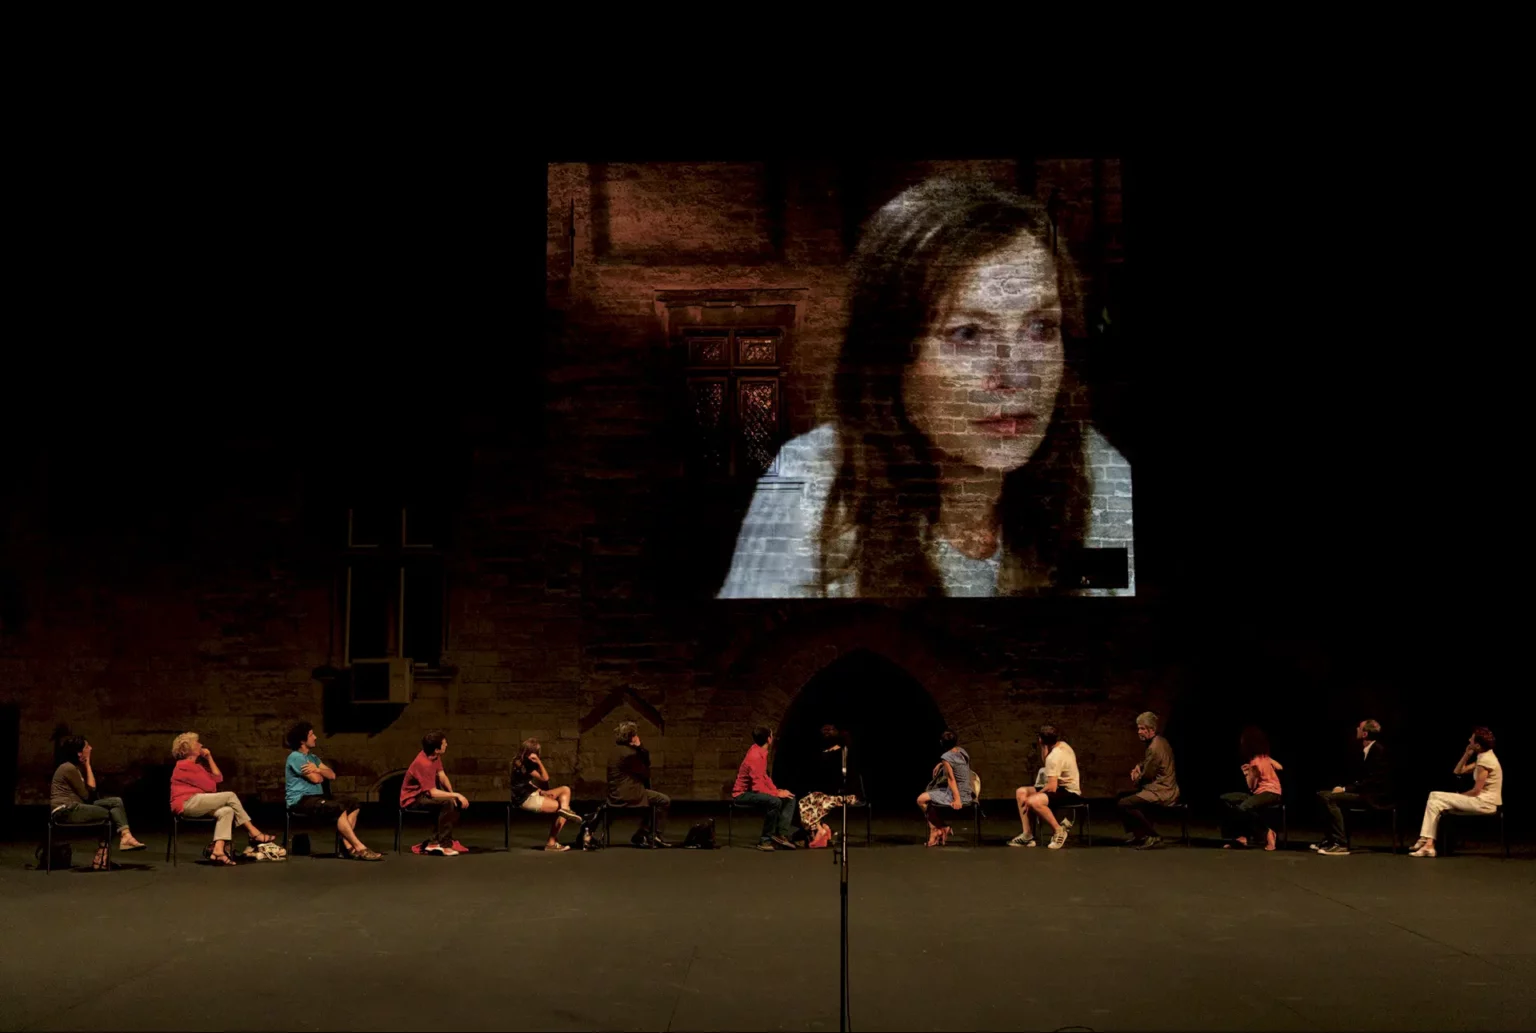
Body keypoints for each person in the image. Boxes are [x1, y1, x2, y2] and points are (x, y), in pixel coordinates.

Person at [717, 177, 1133, 600]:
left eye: (1041, 328)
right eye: (968, 334)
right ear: (891, 356)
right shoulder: (811, 482)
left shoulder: (1093, 470)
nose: (1018, 376)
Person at [169, 731, 275, 866]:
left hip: (198, 801)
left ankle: (218, 850)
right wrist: (210, 780)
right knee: (230, 795)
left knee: (227, 811)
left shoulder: (197, 766)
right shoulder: (184, 765)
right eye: (197, 742)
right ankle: (253, 832)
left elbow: (218, 778)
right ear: (188, 748)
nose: (201, 744)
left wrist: (209, 757)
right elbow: (211, 787)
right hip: (186, 803)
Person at [284, 721, 382, 861]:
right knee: (337, 808)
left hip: (317, 797)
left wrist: (318, 769)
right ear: (302, 740)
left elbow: (332, 775)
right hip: (301, 800)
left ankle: (347, 846)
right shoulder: (295, 757)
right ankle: (359, 848)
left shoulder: (313, 758)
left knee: (353, 803)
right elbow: (316, 779)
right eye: (311, 735)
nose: (315, 737)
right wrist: (320, 773)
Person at [50, 734, 146, 870]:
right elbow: (88, 794)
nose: (90, 748)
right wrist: (88, 764)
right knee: (114, 813)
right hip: (66, 810)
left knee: (116, 802)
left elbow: (90, 794)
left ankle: (123, 838)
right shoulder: (68, 768)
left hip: (77, 806)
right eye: (87, 747)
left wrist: (87, 765)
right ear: (79, 753)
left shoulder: (75, 768)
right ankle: (103, 855)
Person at [1409, 728, 1503, 858]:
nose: (1469, 740)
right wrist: (1467, 754)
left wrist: (1458, 797)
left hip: (1484, 803)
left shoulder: (1486, 761)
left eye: (1472, 739)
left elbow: (1476, 791)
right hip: (1480, 800)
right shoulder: (1484, 757)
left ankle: (1426, 841)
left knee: (1435, 798)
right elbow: (1458, 771)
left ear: (1477, 745)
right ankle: (1428, 844)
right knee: (1434, 798)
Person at [1313, 719, 1394, 856]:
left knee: (1329, 798)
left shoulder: (1379, 751)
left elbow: (1373, 780)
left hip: (1374, 797)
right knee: (1322, 794)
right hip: (1364, 793)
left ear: (1365, 734)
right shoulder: (1366, 750)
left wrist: (1345, 790)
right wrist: (1344, 787)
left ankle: (1340, 844)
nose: (1356, 729)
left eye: (1359, 728)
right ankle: (1331, 839)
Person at [400, 731, 472, 856]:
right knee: (448, 802)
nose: (447, 745)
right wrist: (456, 795)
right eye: (444, 744)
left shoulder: (434, 757)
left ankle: (436, 841)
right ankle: (443, 844)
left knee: (453, 802)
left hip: (424, 794)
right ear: (436, 749)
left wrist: (452, 793)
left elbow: (442, 776)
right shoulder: (423, 763)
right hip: (412, 799)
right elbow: (432, 792)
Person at [1010, 725, 1080, 848]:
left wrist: (1034, 797)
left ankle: (1059, 831)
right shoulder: (1062, 745)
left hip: (1069, 791)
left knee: (1033, 801)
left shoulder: (1054, 757)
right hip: (1059, 786)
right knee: (1021, 792)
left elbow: (1052, 788)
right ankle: (1027, 834)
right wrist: (1044, 747)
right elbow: (1047, 764)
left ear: (1040, 740)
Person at [603, 722, 671, 848]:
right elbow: (645, 772)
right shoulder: (630, 754)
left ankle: (643, 833)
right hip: (628, 794)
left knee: (651, 799)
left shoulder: (616, 751)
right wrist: (640, 748)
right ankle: (653, 834)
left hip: (615, 793)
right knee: (664, 800)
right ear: (632, 737)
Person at [1118, 711, 1179, 849]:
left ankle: (1152, 835)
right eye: (1138, 728)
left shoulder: (1154, 747)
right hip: (1160, 787)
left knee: (1124, 803)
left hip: (1163, 790)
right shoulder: (1160, 741)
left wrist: (1136, 776)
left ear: (1152, 730)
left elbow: (1147, 775)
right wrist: (1139, 766)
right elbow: (1147, 763)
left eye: (1143, 729)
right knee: (1122, 797)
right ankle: (1140, 835)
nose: (1139, 732)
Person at [512, 737, 584, 852]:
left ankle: (565, 810)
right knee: (562, 809)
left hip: (533, 793)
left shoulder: (520, 762)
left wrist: (540, 790)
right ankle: (551, 843)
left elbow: (525, 782)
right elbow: (545, 778)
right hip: (525, 799)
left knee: (565, 789)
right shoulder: (524, 763)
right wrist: (539, 762)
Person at [732, 726, 797, 851]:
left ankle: (780, 834)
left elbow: (764, 777)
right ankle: (765, 840)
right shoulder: (755, 756)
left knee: (790, 798)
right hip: (742, 794)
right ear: (769, 739)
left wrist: (777, 791)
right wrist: (776, 794)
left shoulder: (761, 751)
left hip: (754, 791)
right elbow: (758, 788)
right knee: (775, 801)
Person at [1219, 726, 1284, 850]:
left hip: (1270, 793)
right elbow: (1280, 767)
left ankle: (1267, 832)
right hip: (1267, 793)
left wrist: (1247, 774)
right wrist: (1269, 762)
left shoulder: (1254, 763)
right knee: (1227, 799)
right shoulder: (1265, 758)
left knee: (1244, 807)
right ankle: (1240, 836)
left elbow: (1251, 787)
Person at [797, 724, 859, 849]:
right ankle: (820, 829)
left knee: (810, 803)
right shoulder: (831, 753)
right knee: (807, 801)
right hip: (833, 793)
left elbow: (841, 779)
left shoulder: (843, 755)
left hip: (846, 794)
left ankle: (819, 831)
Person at [917, 730, 974, 847]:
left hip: (957, 794)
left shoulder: (946, 757)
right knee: (930, 798)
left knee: (921, 800)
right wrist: (942, 764)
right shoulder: (962, 752)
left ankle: (939, 828)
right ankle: (938, 829)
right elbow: (958, 764)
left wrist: (957, 799)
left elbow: (951, 779)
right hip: (967, 790)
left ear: (941, 743)